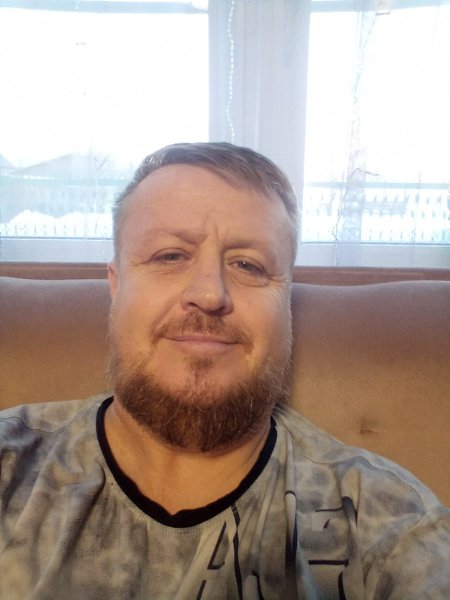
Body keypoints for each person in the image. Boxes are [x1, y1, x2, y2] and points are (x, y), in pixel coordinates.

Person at [0, 142, 448, 599]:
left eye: (248, 265)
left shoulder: (384, 522)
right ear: (116, 286)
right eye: (169, 256)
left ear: (286, 306)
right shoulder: (10, 464)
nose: (210, 293)